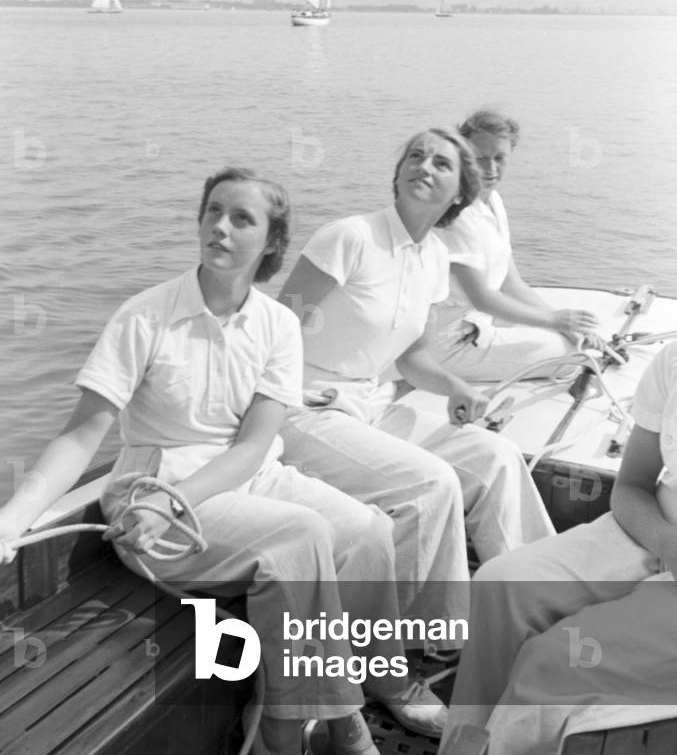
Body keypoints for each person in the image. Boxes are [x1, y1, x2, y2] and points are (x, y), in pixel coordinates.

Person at [0, 167, 447, 755]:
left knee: (367, 531)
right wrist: (12, 518)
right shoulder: (145, 316)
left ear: (271, 243)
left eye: (242, 218)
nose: (221, 227)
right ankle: (311, 730)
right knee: (301, 538)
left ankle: (382, 676)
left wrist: (177, 502)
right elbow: (81, 438)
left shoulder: (279, 325)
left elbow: (251, 448)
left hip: (242, 478)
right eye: (213, 211)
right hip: (151, 492)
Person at [278, 129, 554, 608]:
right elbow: (274, 331)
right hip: (304, 410)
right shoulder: (349, 238)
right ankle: (418, 641)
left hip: (369, 404)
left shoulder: (434, 258)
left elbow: (413, 357)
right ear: (399, 171)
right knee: (432, 483)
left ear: (461, 194)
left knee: (497, 457)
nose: (424, 166)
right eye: (416, 156)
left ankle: (535, 601)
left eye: (441, 164)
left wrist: (455, 387)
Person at [441, 341, 677, 755]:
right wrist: (664, 541)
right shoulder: (672, 359)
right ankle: (468, 743)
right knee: (501, 583)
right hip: (654, 526)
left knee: (556, 661)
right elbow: (632, 487)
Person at [429, 110, 599, 382]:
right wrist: (556, 323)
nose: (491, 169)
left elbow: (511, 283)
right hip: (451, 343)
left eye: (499, 158)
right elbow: (481, 298)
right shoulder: (455, 214)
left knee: (567, 336)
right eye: (480, 159)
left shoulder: (492, 200)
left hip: (480, 322)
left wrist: (561, 323)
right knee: (572, 356)